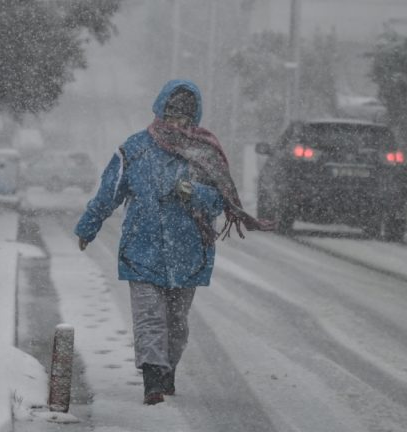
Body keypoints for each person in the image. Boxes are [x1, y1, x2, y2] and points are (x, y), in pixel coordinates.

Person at [74, 79, 274, 405]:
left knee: (176, 324)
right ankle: (153, 378)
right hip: (141, 250)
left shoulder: (204, 154)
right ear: (160, 112)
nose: (177, 123)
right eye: (171, 115)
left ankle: (167, 371)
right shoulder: (134, 150)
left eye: (184, 117)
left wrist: (194, 192)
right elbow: (109, 192)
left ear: (194, 118)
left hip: (188, 253)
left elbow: (218, 203)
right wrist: (88, 226)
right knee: (149, 318)